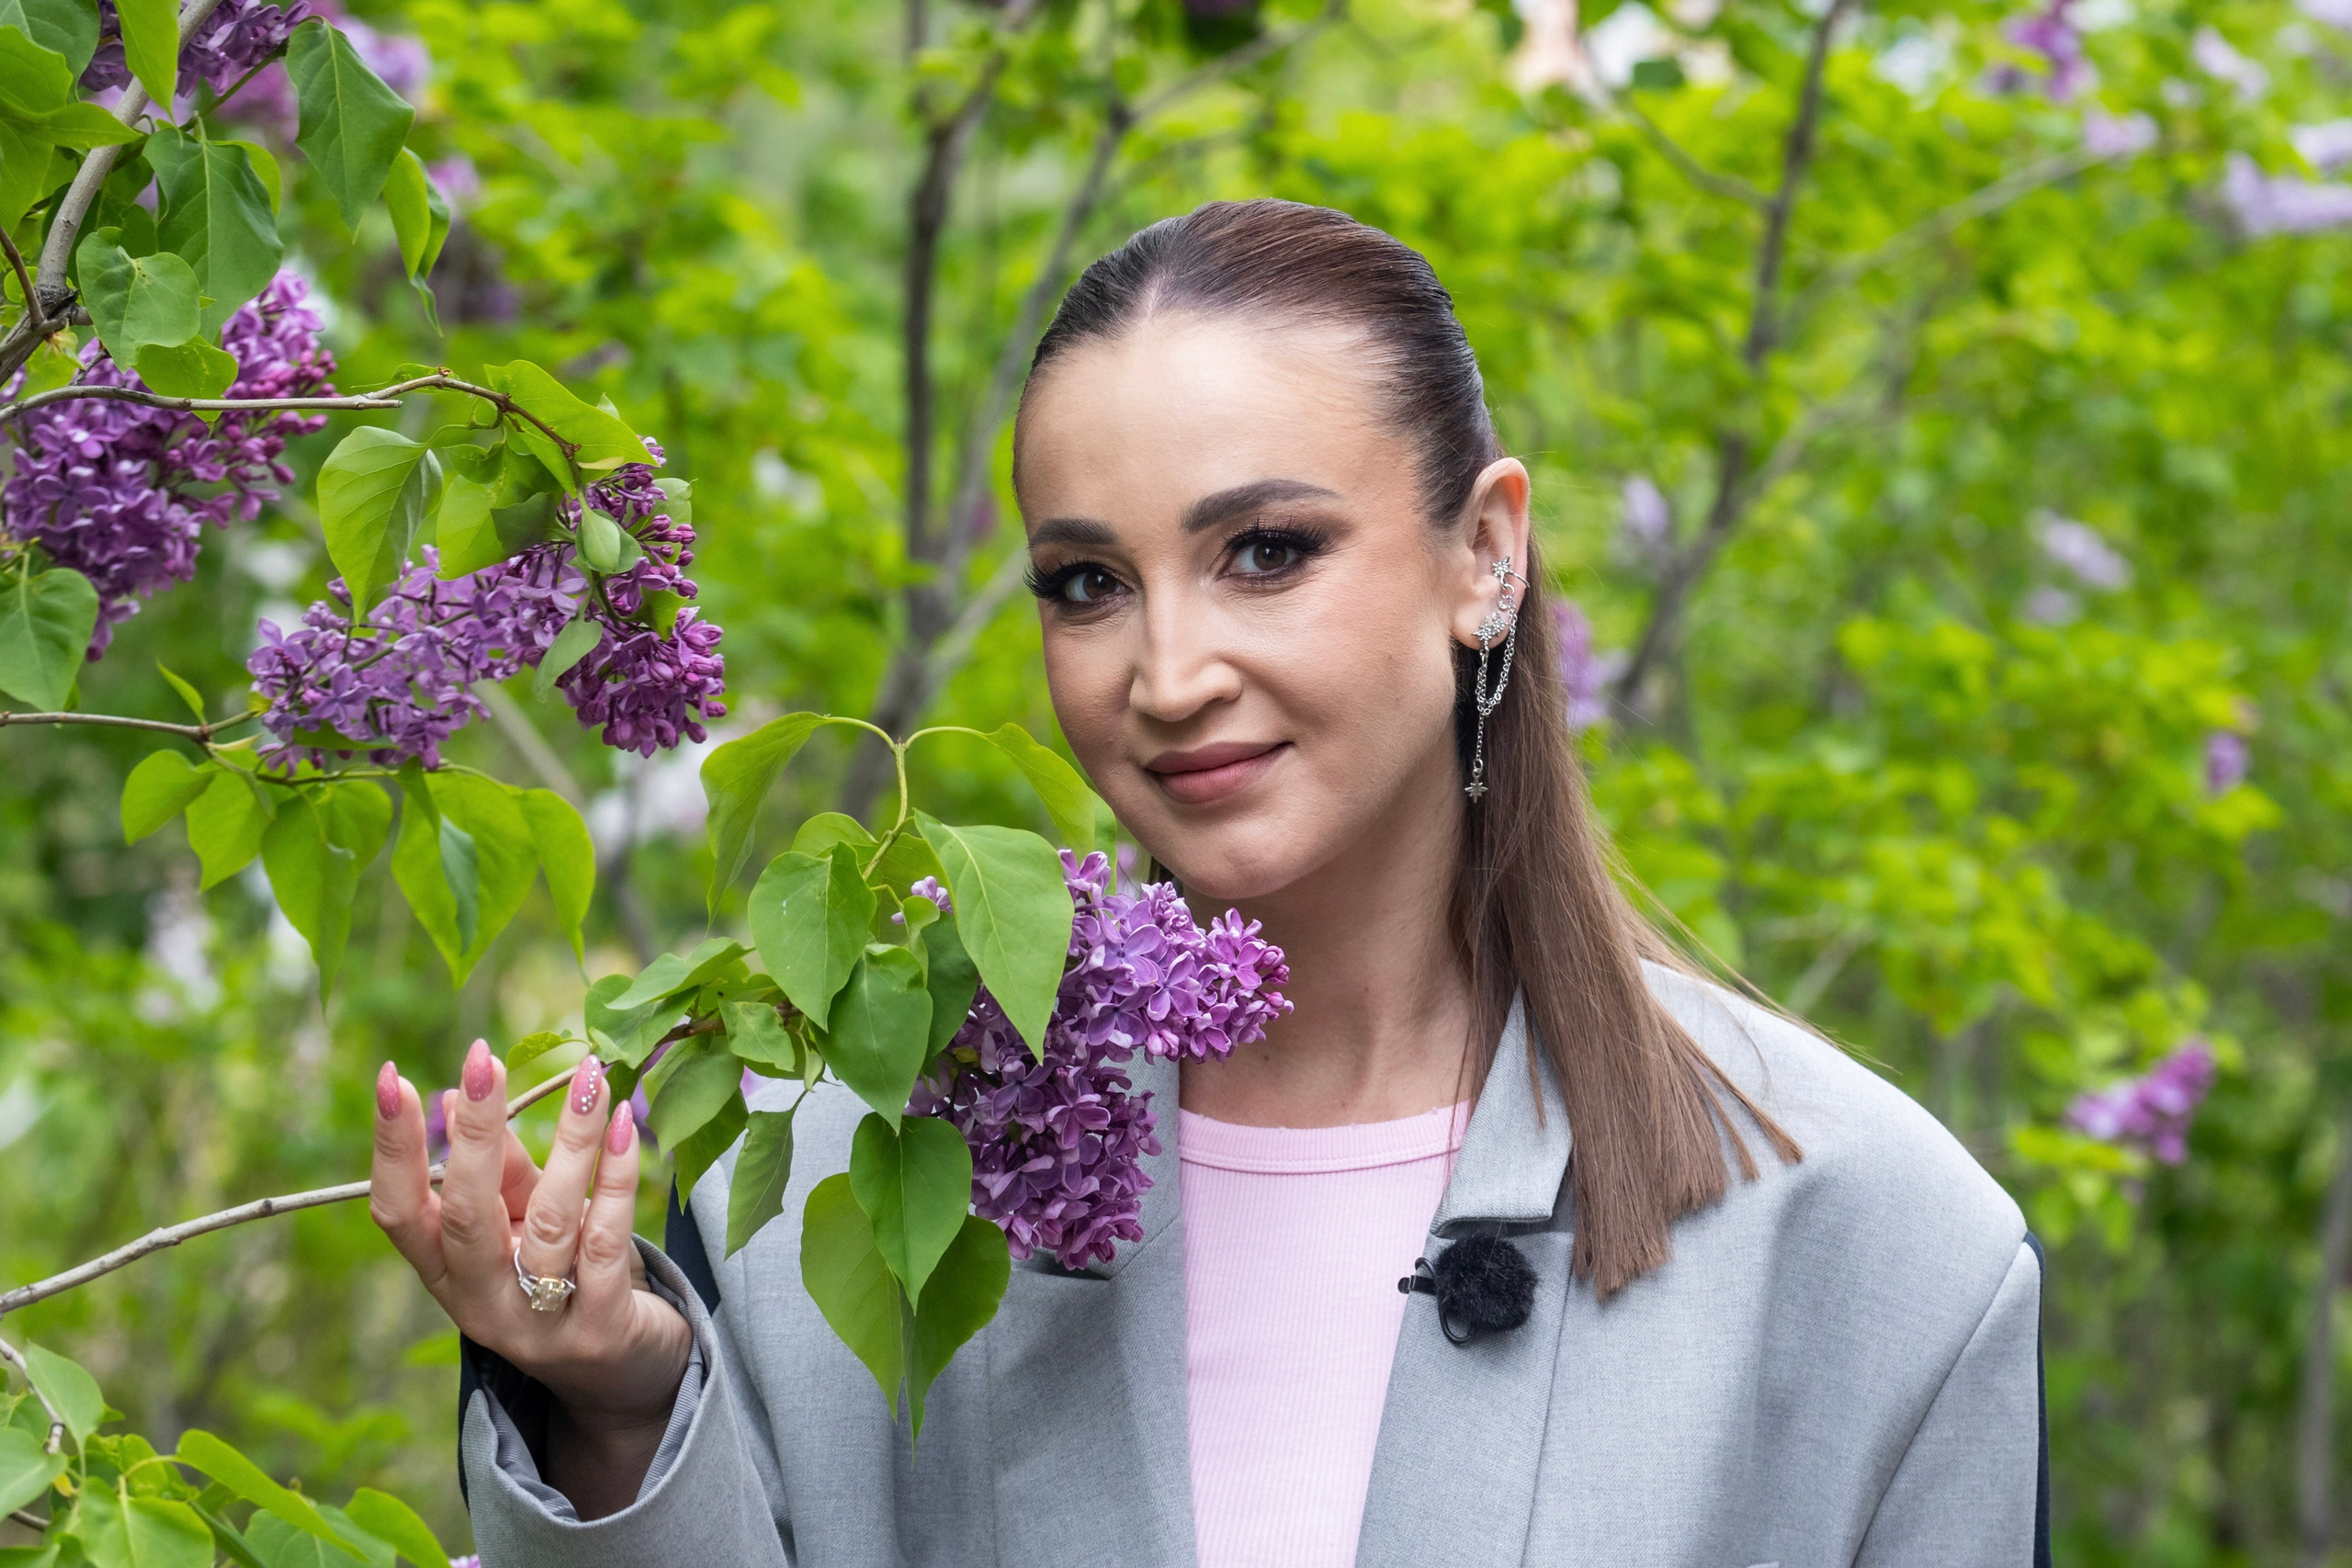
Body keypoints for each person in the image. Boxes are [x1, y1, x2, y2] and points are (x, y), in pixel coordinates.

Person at [370, 198, 2048, 1568]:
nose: (1169, 673)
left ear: (1487, 553)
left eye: (1266, 552)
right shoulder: (854, 1166)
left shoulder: (1871, 1237)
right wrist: (610, 1401)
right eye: (1089, 582)